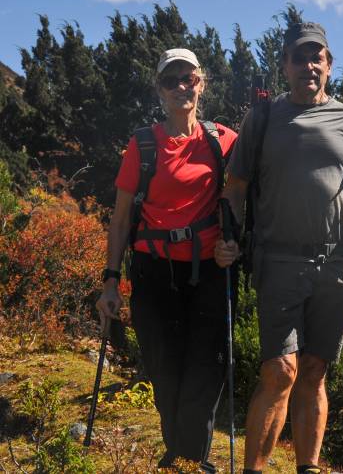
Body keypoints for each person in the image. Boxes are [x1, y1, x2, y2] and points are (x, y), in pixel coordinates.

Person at [214, 22, 343, 474]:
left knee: (313, 369)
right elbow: (234, 187)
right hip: (278, 258)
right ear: (285, 65)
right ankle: (254, 468)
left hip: (340, 262)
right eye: (299, 58)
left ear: (329, 65)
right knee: (280, 371)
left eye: (317, 57)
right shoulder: (264, 118)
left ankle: (308, 467)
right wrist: (229, 233)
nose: (308, 66)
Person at [96, 48, 238, 472]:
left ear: (202, 83)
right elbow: (121, 220)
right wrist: (110, 281)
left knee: (208, 365)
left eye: (189, 78)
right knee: (164, 364)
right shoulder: (142, 144)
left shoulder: (223, 141)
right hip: (153, 271)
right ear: (159, 90)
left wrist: (234, 244)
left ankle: (186, 459)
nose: (182, 87)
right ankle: (180, 453)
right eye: (171, 80)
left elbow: (245, 202)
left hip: (209, 270)